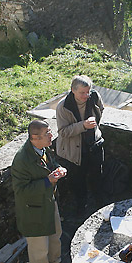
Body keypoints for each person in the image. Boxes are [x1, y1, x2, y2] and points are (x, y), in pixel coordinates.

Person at [11, 120, 71, 263]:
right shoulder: (22, 160)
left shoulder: (43, 148)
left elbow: (51, 164)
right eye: (47, 133)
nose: (51, 135)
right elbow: (21, 190)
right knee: (39, 246)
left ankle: (55, 262)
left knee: (55, 234)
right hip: (33, 209)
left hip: (48, 202)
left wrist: (59, 169)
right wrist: (47, 181)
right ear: (35, 137)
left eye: (49, 131)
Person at [56, 75, 104, 215]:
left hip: (94, 144)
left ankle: (100, 206)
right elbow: (63, 132)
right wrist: (83, 125)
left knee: (97, 177)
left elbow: (101, 110)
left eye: (88, 91)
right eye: (82, 93)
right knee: (78, 181)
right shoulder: (63, 107)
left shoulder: (94, 97)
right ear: (73, 90)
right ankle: (80, 209)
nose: (86, 95)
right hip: (75, 150)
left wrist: (95, 129)